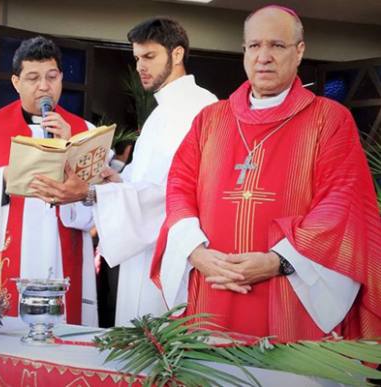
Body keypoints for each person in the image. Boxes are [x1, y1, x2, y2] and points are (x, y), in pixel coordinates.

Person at [150, 5, 381, 341]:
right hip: (213, 284)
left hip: (291, 290)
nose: (264, 57)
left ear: (299, 51)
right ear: (244, 51)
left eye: (277, 45)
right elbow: (179, 188)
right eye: (255, 46)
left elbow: (341, 203)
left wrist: (279, 261)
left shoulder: (328, 120)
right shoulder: (211, 120)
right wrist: (196, 253)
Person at [30, 18, 217, 326]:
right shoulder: (162, 111)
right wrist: (111, 176)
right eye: (137, 58)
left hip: (171, 256)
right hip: (142, 249)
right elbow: (144, 182)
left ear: (178, 54)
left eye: (149, 56)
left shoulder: (200, 108)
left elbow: (172, 195)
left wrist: (91, 194)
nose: (140, 66)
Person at [0, 36, 98, 326]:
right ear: (16, 82)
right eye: (33, 78)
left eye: (52, 77)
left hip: (63, 256)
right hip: (2, 255)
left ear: (61, 77)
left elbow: (99, 202)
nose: (44, 86)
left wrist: (72, 150)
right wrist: (0, 179)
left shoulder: (84, 131)